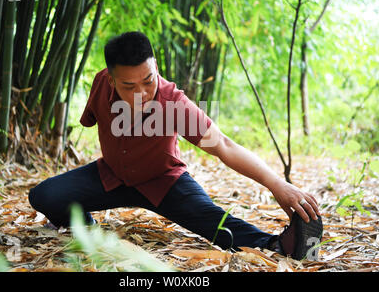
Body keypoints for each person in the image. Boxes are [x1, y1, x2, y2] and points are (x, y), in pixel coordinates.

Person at [28, 31, 323, 260]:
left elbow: (224, 145)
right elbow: (90, 120)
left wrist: (276, 184)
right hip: (112, 176)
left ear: (155, 67)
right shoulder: (100, 83)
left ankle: (276, 244)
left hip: (164, 182)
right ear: (111, 78)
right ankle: (84, 224)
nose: (141, 93)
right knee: (43, 196)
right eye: (129, 86)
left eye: (148, 80)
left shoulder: (173, 103)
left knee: (212, 221)